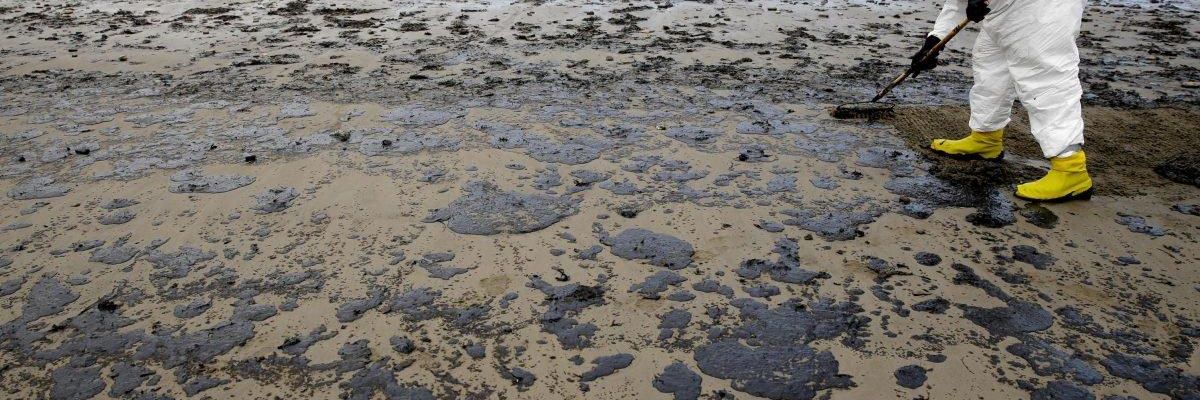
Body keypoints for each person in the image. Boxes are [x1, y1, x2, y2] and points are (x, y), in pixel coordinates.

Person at [912, 0, 1093, 202]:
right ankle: (986, 138)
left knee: (1044, 78)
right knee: (990, 66)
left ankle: (1070, 169)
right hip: (1002, 9)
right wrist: (935, 40)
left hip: (1042, 8)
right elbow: (958, 1)